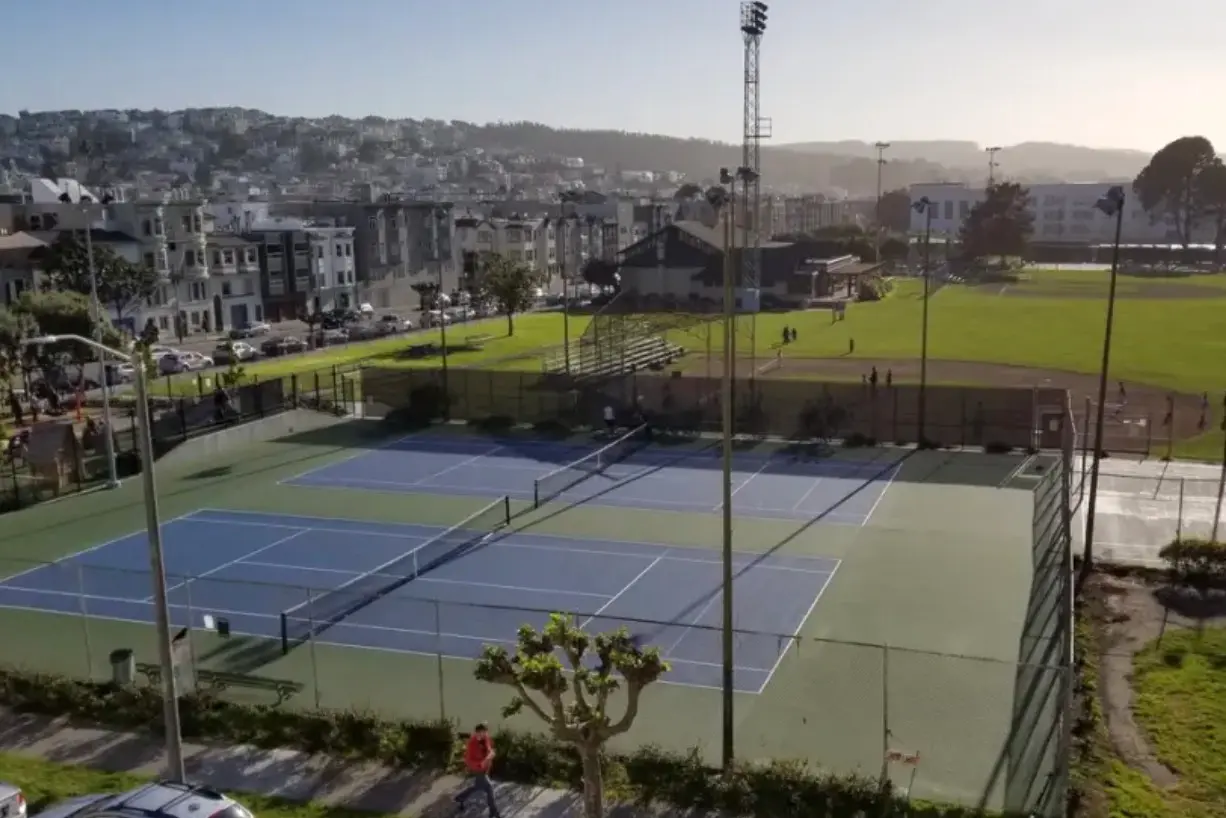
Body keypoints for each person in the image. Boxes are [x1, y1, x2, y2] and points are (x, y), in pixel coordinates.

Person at [455, 723, 500, 818]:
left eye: (485, 733)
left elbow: (489, 749)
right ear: (477, 733)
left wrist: (491, 754)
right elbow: (468, 760)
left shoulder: (485, 738)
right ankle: (493, 811)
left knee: (477, 786)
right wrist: (480, 764)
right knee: (489, 787)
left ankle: (460, 798)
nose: (484, 735)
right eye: (482, 733)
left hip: (485, 768)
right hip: (478, 769)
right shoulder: (472, 743)